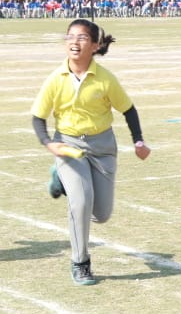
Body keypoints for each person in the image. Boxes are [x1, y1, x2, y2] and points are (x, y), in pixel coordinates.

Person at [30, 19, 151, 286]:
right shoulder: (56, 78)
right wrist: (48, 142)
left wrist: (138, 142)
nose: (74, 42)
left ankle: (60, 180)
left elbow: (128, 109)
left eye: (82, 38)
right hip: (68, 146)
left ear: (95, 45)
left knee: (101, 214)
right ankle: (80, 262)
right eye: (70, 37)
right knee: (81, 202)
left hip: (103, 148)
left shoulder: (105, 79)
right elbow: (38, 117)